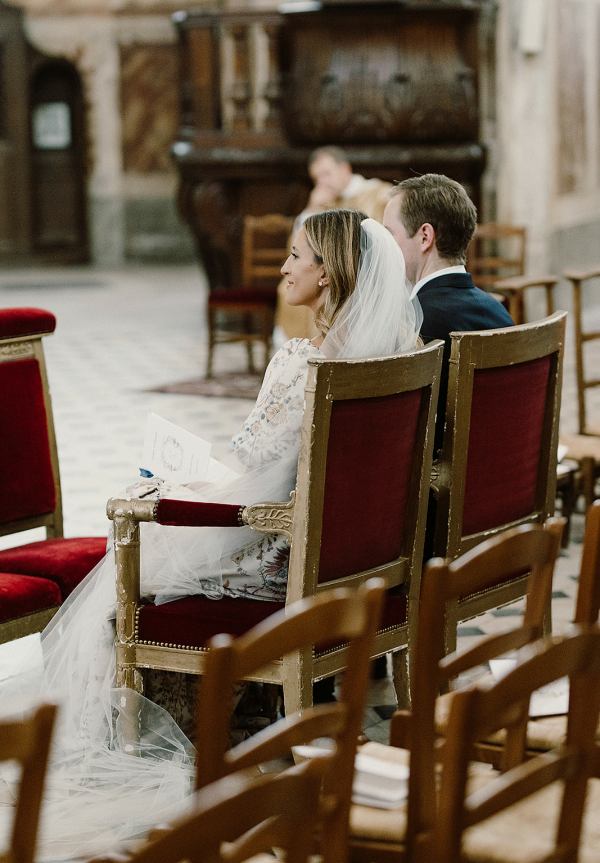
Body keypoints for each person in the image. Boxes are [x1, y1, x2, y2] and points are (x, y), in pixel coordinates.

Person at [1, 210, 421, 861]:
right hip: (352, 561)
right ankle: (238, 713)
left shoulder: (301, 362)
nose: (283, 267)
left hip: (284, 567)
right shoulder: (396, 358)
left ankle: (152, 740)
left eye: (295, 256)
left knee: (123, 575)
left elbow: (250, 460)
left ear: (329, 274)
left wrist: (176, 488)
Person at [383, 173, 513, 447]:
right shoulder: (496, 310)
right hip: (505, 475)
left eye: (389, 234)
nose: (383, 247)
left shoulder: (416, 323)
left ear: (425, 236)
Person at [276, 147, 393, 343]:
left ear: (345, 169)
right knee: (292, 284)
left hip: (364, 273)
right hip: (327, 270)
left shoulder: (378, 194)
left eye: (326, 174)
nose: (322, 183)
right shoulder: (324, 200)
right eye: (317, 178)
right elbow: (297, 249)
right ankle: (305, 350)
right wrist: (312, 209)